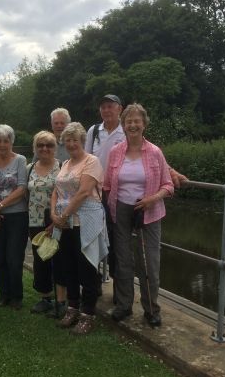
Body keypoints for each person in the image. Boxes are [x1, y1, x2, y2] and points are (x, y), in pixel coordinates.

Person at [103, 103, 174, 327]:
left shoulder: (155, 152)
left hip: (148, 210)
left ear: (144, 124)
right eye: (128, 121)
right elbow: (106, 185)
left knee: (149, 263)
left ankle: (151, 309)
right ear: (123, 125)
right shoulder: (116, 152)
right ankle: (124, 306)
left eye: (137, 121)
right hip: (120, 209)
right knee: (123, 261)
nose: (132, 125)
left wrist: (152, 199)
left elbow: (168, 186)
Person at [51, 122, 109, 335]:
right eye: (68, 140)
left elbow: (84, 192)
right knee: (69, 267)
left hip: (85, 222)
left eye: (75, 139)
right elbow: (56, 190)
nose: (72, 143)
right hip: (64, 224)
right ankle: (72, 308)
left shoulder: (91, 161)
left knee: (87, 268)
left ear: (82, 141)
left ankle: (88, 315)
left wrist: (64, 215)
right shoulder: (65, 163)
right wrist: (53, 214)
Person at [0, 124, 29, 310]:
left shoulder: (20, 160)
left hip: (16, 215)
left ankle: (16, 296)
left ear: (11, 142)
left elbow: (22, 188)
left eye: (6, 141)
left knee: (14, 257)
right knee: (0, 256)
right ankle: (4, 295)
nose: (2, 144)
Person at [27, 131, 67, 317]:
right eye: (40, 145)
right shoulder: (29, 168)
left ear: (55, 148)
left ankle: (62, 301)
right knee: (40, 259)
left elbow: (67, 195)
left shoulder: (63, 168)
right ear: (35, 147)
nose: (44, 148)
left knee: (59, 260)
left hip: (57, 220)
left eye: (49, 145)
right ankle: (45, 297)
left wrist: (56, 221)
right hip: (34, 221)